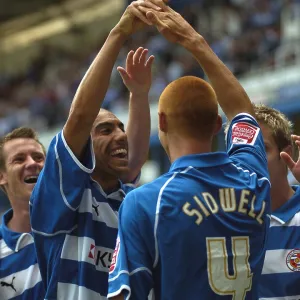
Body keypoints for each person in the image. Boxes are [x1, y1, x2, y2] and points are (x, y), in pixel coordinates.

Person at [108, 1, 271, 299]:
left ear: (162, 121)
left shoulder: (143, 204)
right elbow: (241, 110)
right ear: (216, 125)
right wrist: (194, 41)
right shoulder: (253, 179)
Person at [29, 1, 159, 298]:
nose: (120, 136)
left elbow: (134, 163)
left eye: (120, 128)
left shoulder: (128, 199)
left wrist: (139, 95)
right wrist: (118, 33)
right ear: (84, 147)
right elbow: (79, 118)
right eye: (105, 130)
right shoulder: (61, 197)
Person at [246, 105, 300, 299]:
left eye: (262, 148)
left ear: (286, 155)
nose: (249, 161)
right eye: (241, 153)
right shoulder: (227, 222)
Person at [0, 127, 46, 299]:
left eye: (38, 157)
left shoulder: (80, 221)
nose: (33, 163)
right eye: (19, 159)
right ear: (1, 176)